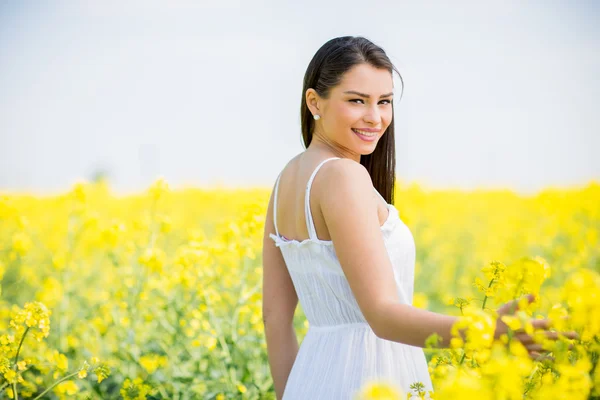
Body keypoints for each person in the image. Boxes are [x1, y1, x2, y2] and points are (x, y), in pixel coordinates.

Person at [261, 36, 574, 400]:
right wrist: (485, 331)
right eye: (356, 101)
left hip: (312, 379)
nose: (375, 117)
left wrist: (292, 393)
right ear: (314, 101)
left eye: (384, 102)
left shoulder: (286, 181)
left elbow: (274, 318)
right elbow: (382, 314)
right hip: (370, 379)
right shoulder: (343, 177)